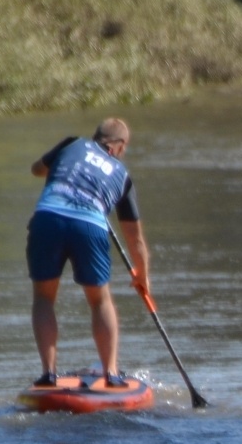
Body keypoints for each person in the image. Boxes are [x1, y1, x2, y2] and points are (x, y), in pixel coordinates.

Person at [25, 117, 151, 388]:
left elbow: (37, 169)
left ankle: (48, 373)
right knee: (100, 301)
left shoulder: (72, 144)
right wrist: (142, 276)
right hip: (89, 225)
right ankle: (111, 374)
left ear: (96, 138)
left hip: (48, 218)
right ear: (117, 146)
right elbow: (135, 238)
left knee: (44, 299)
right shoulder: (122, 176)